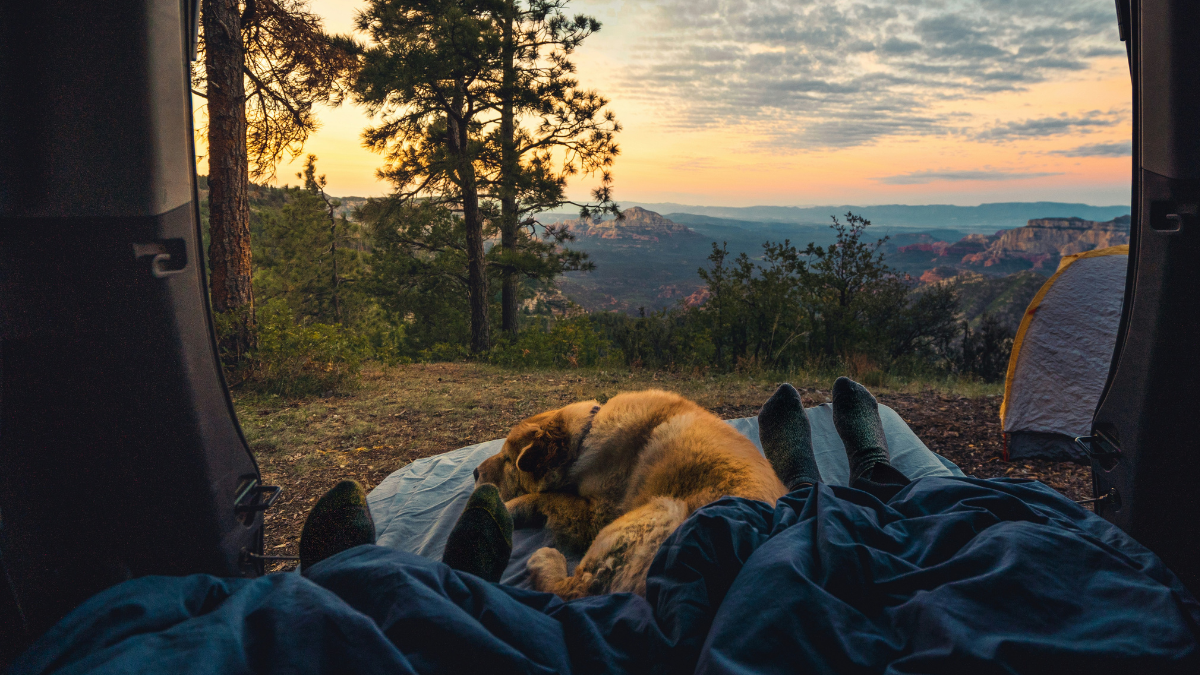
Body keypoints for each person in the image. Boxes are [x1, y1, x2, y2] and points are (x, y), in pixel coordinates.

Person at [12, 380, 1200, 675]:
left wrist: (537, 506)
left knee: (576, 582)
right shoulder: (618, 434)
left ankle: (395, 567)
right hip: (753, 530)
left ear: (541, 444)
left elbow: (611, 523)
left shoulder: (599, 448)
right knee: (951, 524)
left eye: (517, 464)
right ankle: (864, 477)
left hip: (707, 531)